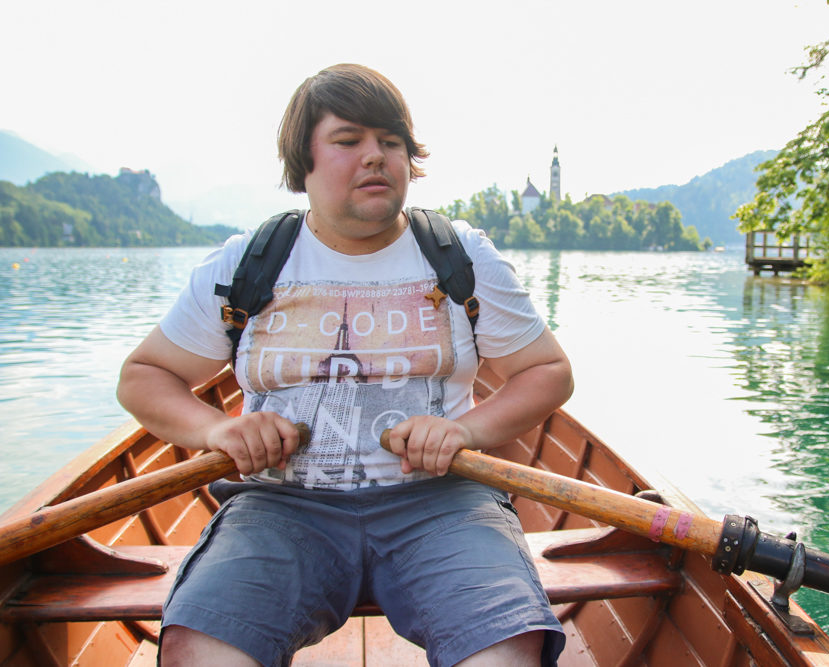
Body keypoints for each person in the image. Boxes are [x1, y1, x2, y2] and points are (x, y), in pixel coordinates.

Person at [117, 63, 573, 667]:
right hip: (281, 507)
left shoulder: (461, 257)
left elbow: (549, 372)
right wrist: (217, 430)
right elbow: (144, 376)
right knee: (200, 652)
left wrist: (466, 431)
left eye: (391, 142)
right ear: (301, 162)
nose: (376, 157)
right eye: (348, 140)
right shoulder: (250, 263)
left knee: (501, 656)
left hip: (442, 505)